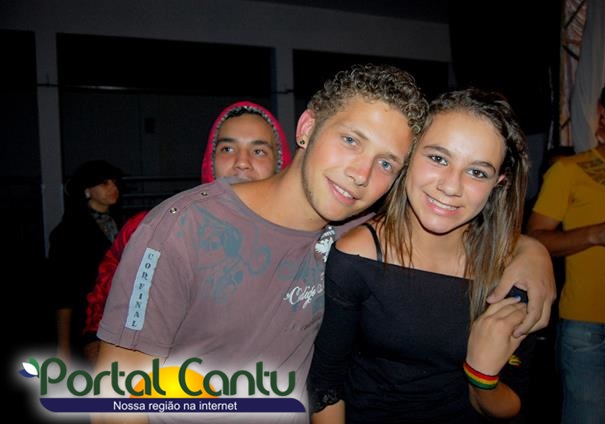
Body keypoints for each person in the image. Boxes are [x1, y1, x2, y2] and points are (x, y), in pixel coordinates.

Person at [94, 64, 555, 424]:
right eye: (351, 140)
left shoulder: (357, 227)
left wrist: (531, 252)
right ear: (307, 127)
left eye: (386, 163)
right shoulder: (183, 229)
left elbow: (458, 226)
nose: (360, 174)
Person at [309, 88, 534, 423]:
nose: (451, 186)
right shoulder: (357, 257)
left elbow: (512, 404)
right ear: (410, 155)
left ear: (498, 183)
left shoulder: (511, 273)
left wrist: (482, 376)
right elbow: (326, 385)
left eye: (477, 172)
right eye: (438, 158)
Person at [82, 101, 292, 363]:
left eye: (259, 151)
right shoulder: (158, 228)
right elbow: (107, 290)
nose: (241, 163)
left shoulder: (297, 243)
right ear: (210, 161)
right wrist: (93, 341)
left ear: (280, 165)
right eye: (227, 149)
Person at [527, 67, 605, 424]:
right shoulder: (570, 170)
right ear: (604, 116)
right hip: (590, 331)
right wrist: (597, 234)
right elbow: (533, 241)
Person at [47, 159, 124, 366]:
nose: (113, 188)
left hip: (115, 316)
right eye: (105, 183)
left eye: (114, 182)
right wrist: (63, 347)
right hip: (86, 321)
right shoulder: (69, 232)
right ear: (87, 190)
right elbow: (63, 290)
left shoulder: (119, 223)